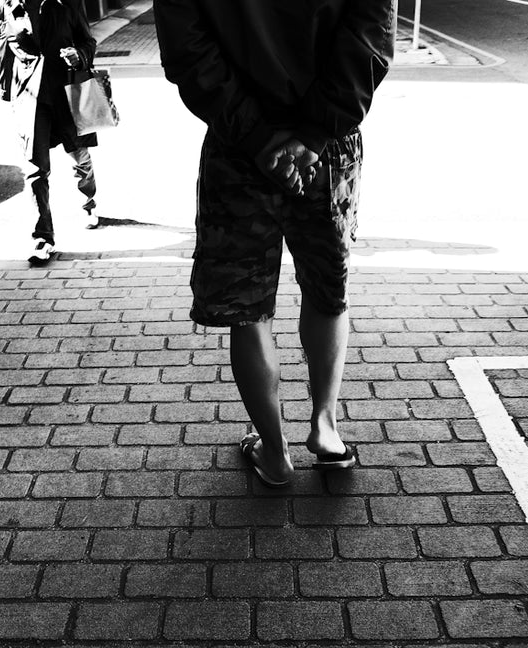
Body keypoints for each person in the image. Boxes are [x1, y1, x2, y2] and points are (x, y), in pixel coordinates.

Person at [155, 0, 395, 487]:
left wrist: (261, 138)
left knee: (247, 306)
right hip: (329, 148)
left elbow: (189, 51)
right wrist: (313, 132)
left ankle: (275, 451)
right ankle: (325, 429)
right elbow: (369, 37)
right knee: (327, 286)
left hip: (238, 150)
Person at [0, 0, 101, 265]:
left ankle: (88, 202)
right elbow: (5, 49)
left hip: (67, 91)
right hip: (31, 97)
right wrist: (5, 90)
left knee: (80, 157)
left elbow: (88, 42)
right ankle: (42, 238)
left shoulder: (68, 3)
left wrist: (80, 55)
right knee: (35, 168)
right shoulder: (7, 5)